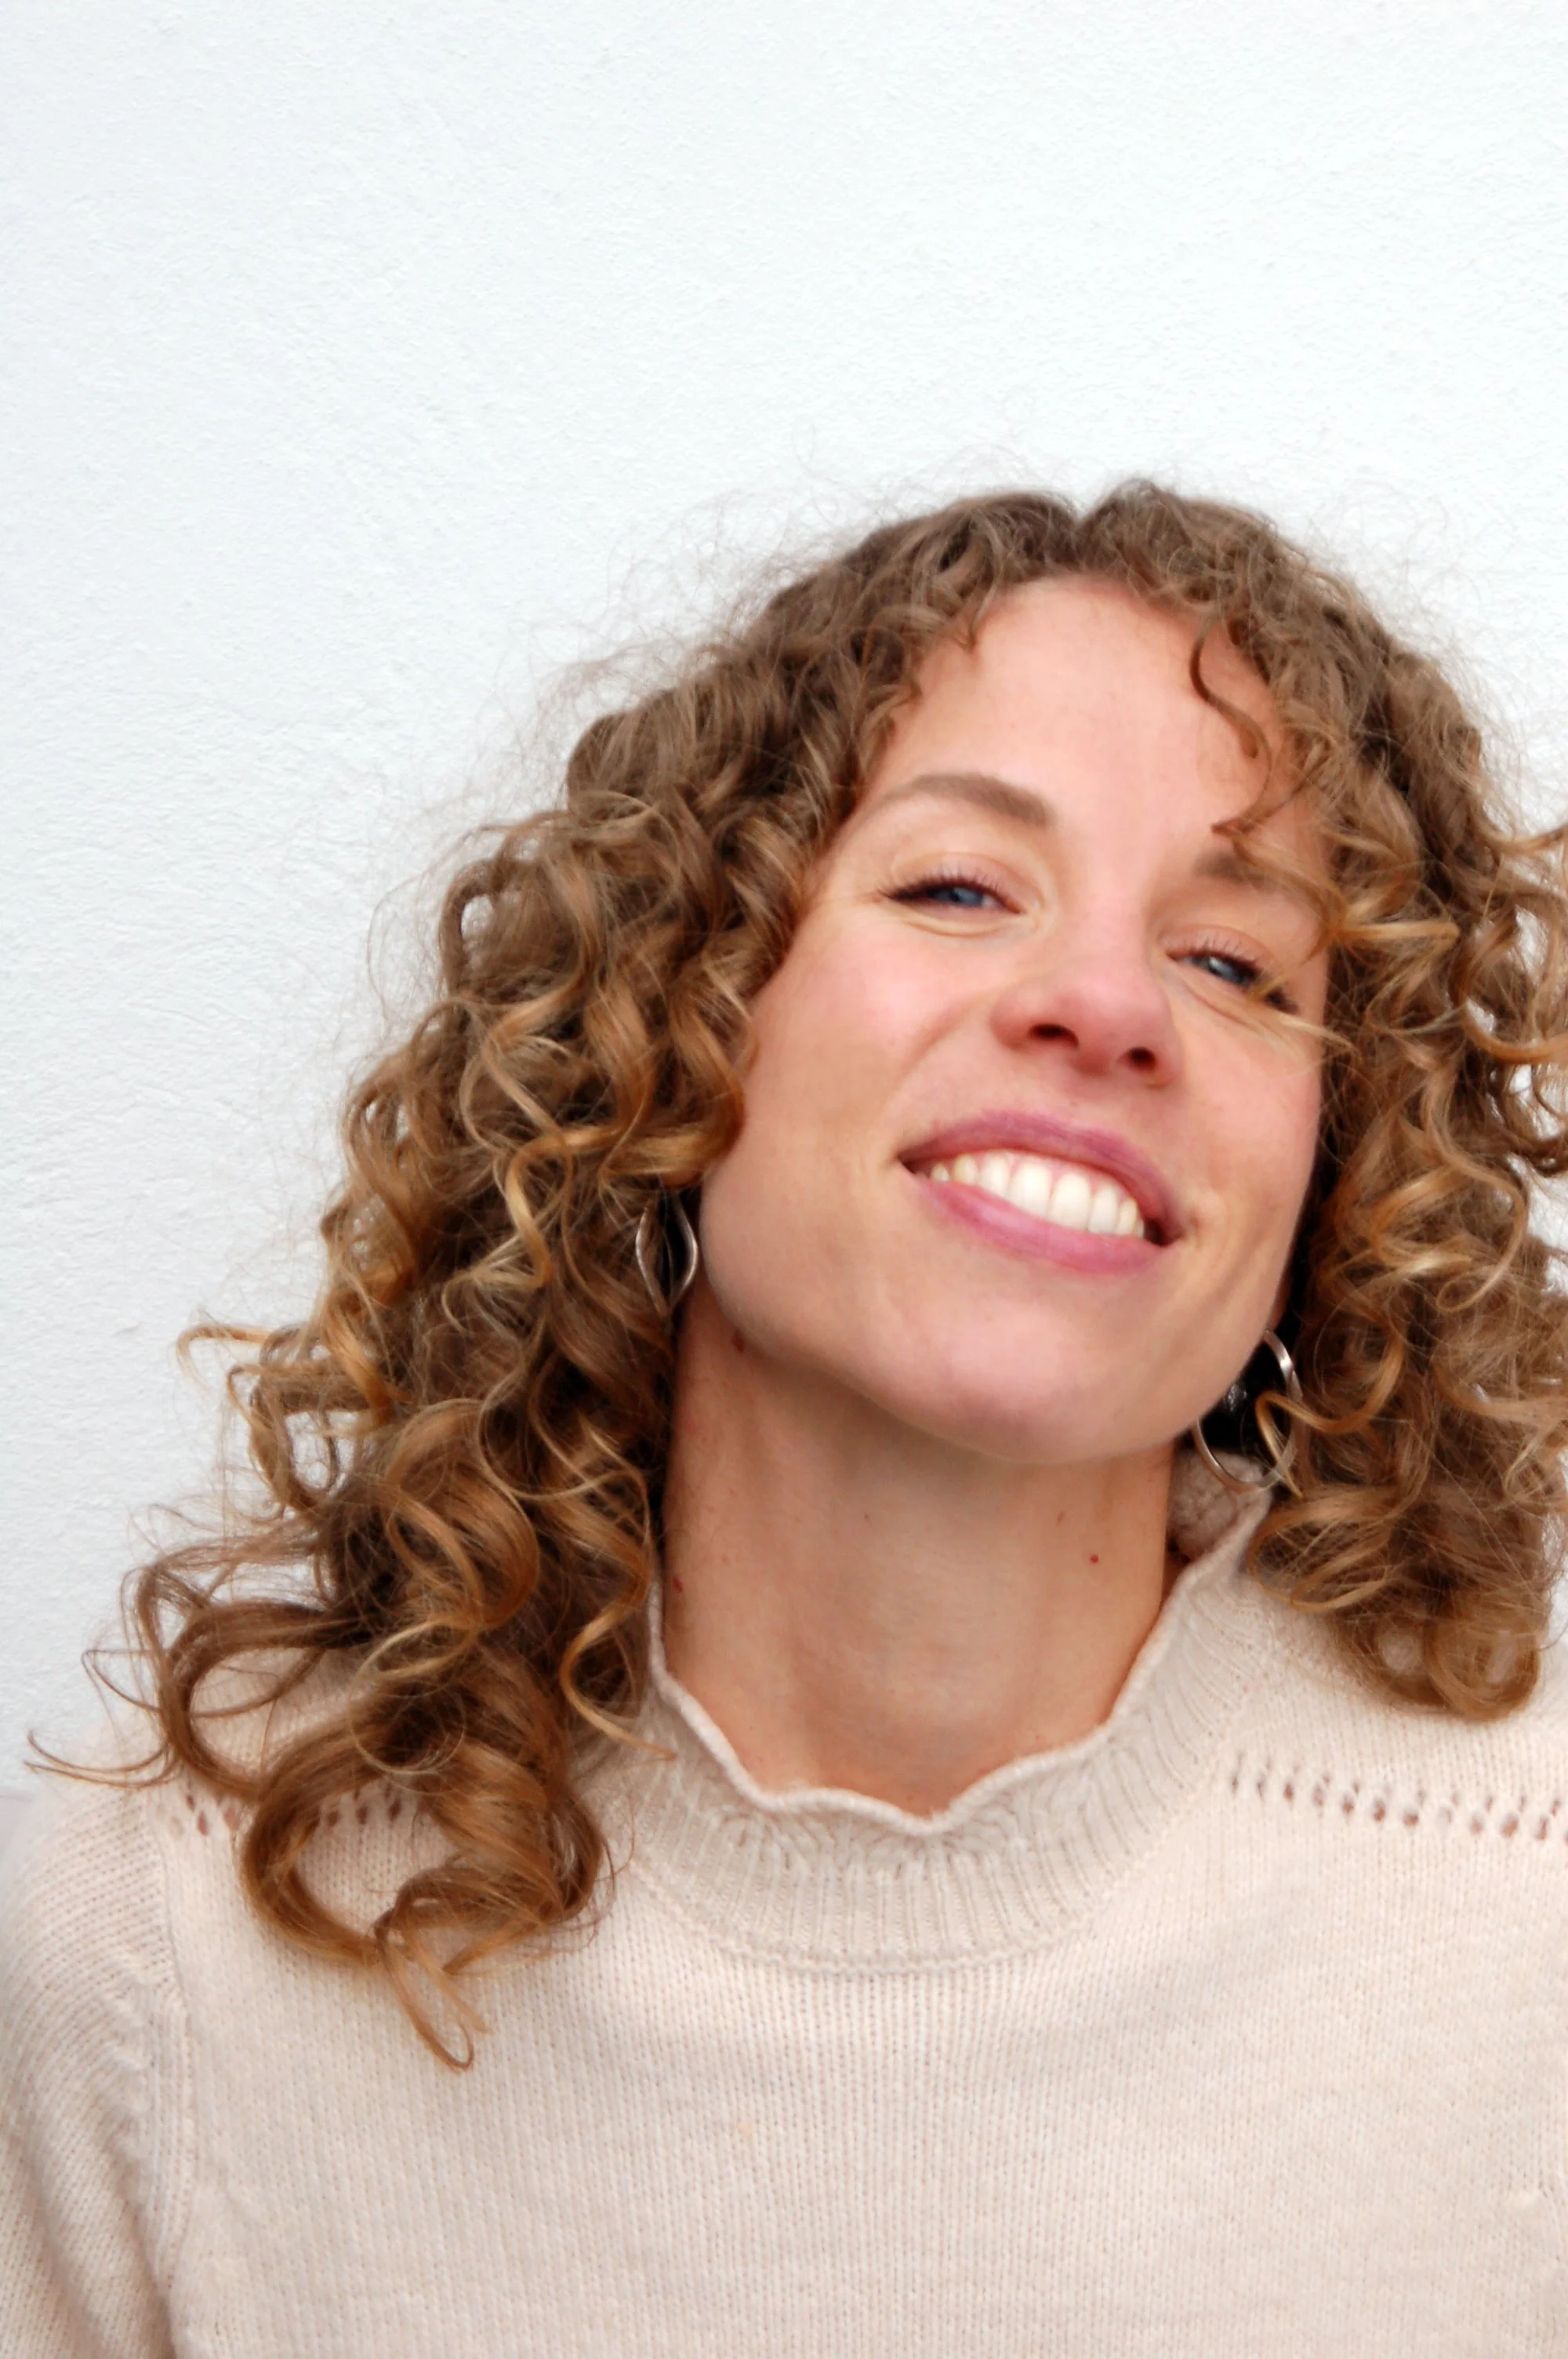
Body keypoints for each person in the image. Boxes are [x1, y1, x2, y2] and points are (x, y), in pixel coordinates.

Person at [4, 484, 1568, 2356]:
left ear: (1337, 1173)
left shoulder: (1524, 1910)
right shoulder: (163, 1942)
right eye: (956, 886)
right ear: (672, 1020)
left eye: (1237, 962)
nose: (1102, 1004)